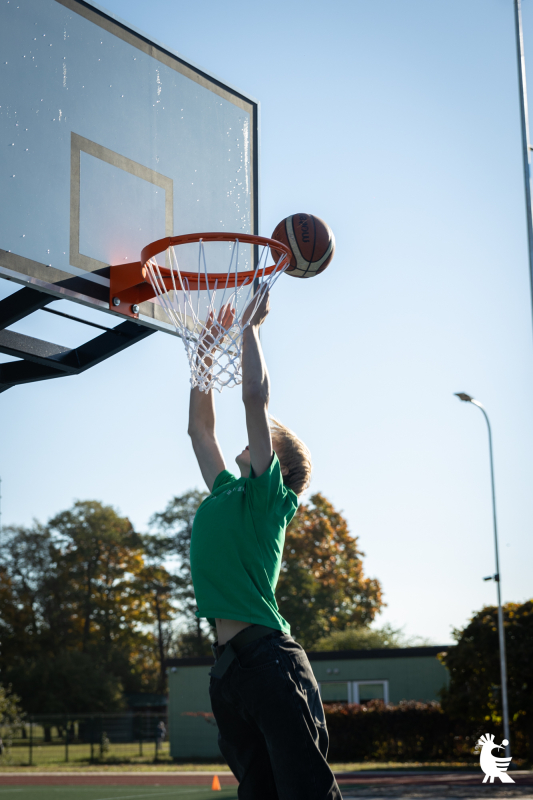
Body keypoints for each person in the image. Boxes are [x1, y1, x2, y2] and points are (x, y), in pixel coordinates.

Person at [188, 288, 342, 800]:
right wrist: (205, 354)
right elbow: (199, 432)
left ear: (278, 467)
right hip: (230, 672)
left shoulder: (268, 500)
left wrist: (251, 328)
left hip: (268, 662)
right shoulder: (228, 493)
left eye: (263, 440)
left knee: (306, 795)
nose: (251, 436)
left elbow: (254, 397)